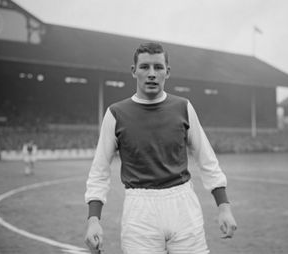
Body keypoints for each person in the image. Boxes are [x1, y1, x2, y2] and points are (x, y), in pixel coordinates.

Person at [84, 42, 237, 254]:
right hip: (139, 211)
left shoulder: (183, 107)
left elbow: (206, 159)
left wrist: (224, 207)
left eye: (158, 67)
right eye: (145, 67)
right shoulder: (115, 114)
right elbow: (99, 171)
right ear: (133, 71)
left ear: (168, 72)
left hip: (183, 207)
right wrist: (93, 219)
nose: (152, 74)